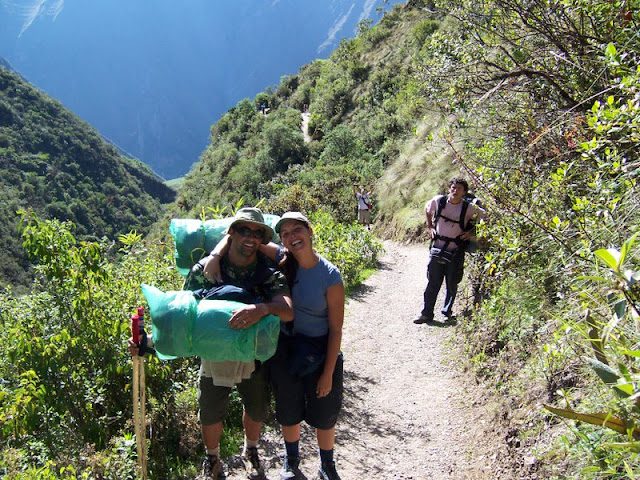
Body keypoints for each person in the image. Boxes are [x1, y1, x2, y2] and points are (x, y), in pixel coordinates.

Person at [133, 207, 293, 480]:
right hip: (213, 356)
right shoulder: (205, 270)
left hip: (252, 355)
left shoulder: (267, 273)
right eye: (244, 230)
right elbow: (182, 316)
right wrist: (147, 342)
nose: (251, 237)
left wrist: (261, 309)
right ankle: (213, 459)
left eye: (257, 232)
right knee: (210, 411)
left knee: (256, 408)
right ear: (230, 233)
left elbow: (287, 310)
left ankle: (251, 449)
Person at [204, 211, 345, 480]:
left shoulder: (330, 276)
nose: (293, 237)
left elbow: (336, 329)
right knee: (288, 410)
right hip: (287, 347)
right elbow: (240, 238)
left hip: (319, 350)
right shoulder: (283, 260)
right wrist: (214, 256)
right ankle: (291, 463)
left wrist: (327, 373)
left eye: (297, 230)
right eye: (286, 233)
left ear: (310, 231)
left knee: (324, 413)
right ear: (282, 239)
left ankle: (327, 465)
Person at [413, 178, 486, 325]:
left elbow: (485, 217)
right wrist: (430, 227)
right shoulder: (439, 201)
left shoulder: (469, 208)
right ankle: (426, 314)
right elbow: (427, 209)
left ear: (464, 192)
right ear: (449, 188)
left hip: (456, 251)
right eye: (453, 187)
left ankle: (447, 313)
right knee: (433, 282)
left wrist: (472, 234)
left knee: (452, 283)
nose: (455, 190)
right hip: (437, 249)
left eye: (459, 188)